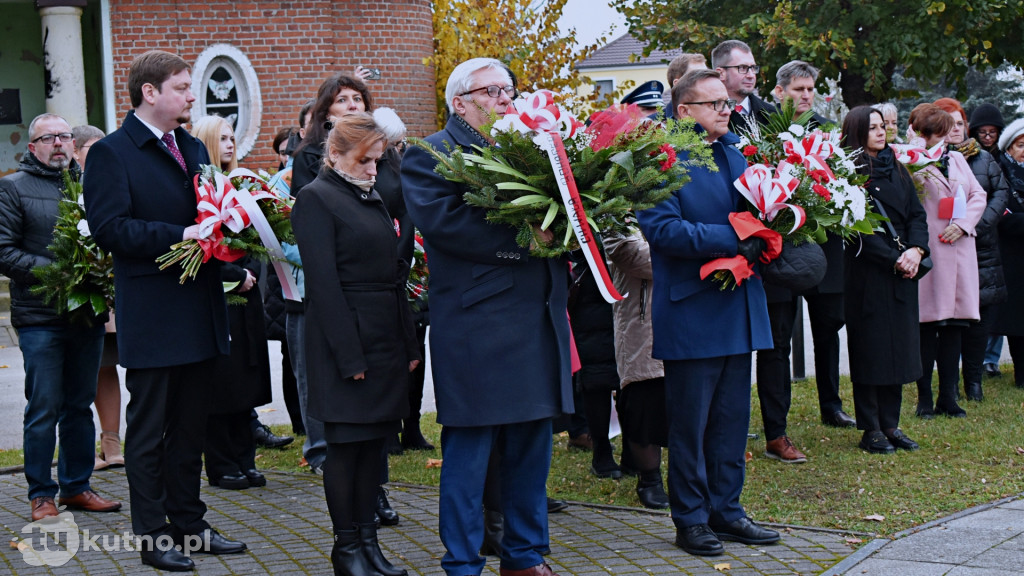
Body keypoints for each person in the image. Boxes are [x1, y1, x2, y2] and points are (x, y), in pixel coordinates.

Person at [402, 57, 573, 576]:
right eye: (492, 91)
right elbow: (448, 226)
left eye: (510, 90)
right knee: (471, 451)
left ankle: (524, 555)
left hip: (536, 317)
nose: (506, 98)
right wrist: (527, 240)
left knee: (531, 446)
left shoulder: (527, 148)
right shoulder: (430, 153)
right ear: (460, 101)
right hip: (479, 326)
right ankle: (462, 561)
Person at [83, 50, 245, 572]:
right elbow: (111, 229)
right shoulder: (113, 153)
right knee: (150, 430)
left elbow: (208, 212)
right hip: (154, 313)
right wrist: (179, 235)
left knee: (191, 427)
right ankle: (152, 533)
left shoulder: (193, 145)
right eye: (181, 87)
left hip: (199, 310)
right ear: (150, 92)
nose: (192, 96)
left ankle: (189, 524)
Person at [638, 68, 779, 557]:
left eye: (726, 102)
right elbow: (664, 232)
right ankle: (692, 519)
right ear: (684, 111)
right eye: (714, 103)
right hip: (693, 309)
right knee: (691, 425)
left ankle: (728, 511)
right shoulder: (660, 161)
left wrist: (769, 233)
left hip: (737, 306)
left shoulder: (736, 153)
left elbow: (760, 215)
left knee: (731, 420)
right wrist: (736, 237)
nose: (726, 108)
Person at [293, 112, 418, 576]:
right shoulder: (316, 199)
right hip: (345, 344)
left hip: (383, 338)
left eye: (379, 161)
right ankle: (346, 549)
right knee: (346, 449)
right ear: (335, 154)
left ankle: (368, 543)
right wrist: (350, 356)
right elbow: (323, 286)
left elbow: (393, 279)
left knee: (373, 449)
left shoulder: (371, 198)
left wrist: (407, 344)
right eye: (365, 161)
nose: (373, 170)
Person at [0, 113, 122, 522]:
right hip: (40, 318)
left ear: (74, 144)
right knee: (44, 407)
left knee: (78, 406)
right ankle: (41, 494)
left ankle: (76, 486)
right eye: (47, 137)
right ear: (32, 147)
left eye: (64, 137)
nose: (58, 144)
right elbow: (4, 251)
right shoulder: (12, 188)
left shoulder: (90, 186)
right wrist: (60, 272)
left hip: (85, 315)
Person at [756, 60, 853, 465]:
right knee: (777, 341)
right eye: (798, 89)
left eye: (811, 89)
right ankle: (776, 429)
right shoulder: (762, 130)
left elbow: (844, 180)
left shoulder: (827, 130)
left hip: (823, 248)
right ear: (779, 92)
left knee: (828, 327)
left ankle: (831, 403)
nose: (806, 96)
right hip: (781, 249)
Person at [190, 116, 274, 490]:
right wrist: (233, 277)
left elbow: (256, 237)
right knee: (220, 386)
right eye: (221, 138)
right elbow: (198, 246)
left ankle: (244, 458)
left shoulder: (241, 185)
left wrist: (250, 271)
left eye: (231, 138)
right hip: (218, 297)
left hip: (248, 295)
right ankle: (222, 464)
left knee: (245, 382)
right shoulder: (197, 188)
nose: (229, 144)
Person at [840, 106, 928, 454]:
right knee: (871, 348)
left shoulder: (899, 168)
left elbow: (917, 215)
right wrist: (896, 258)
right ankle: (871, 427)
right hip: (870, 272)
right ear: (858, 131)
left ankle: (892, 423)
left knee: (900, 348)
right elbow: (857, 230)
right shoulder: (848, 174)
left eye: (882, 126)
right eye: (872, 127)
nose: (881, 132)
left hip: (905, 268)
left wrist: (917, 251)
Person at [906, 104, 986, 419]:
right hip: (929, 251)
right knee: (928, 326)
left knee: (954, 327)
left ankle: (948, 398)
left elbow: (978, 195)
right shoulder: (909, 162)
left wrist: (964, 224)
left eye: (944, 132)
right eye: (936, 133)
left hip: (959, 246)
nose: (943, 139)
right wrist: (913, 154)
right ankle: (924, 399)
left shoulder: (955, 159)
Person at [935, 97, 1009, 402]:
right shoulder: (931, 159)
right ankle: (947, 385)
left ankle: (974, 382)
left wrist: (976, 223)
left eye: (960, 122)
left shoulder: (983, 159)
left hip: (981, 248)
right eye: (948, 122)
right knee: (949, 321)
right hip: (945, 247)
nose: (955, 128)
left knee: (980, 319)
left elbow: (999, 193)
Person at [72, 124, 127, 473]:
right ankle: (85, 445)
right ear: (76, 153)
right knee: (86, 370)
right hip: (82, 289)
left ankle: (112, 442)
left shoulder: (113, 175)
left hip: (112, 289)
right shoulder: (69, 187)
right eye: (90, 147)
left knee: (110, 366)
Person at [604, 227, 669, 510]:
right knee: (644, 404)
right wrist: (691, 254)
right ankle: (649, 479)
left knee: (684, 406)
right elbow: (631, 254)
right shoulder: (618, 210)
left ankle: (686, 476)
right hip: (642, 324)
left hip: (683, 317)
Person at [993, 117, 1024, 388]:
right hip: (1011, 254)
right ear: (1009, 148)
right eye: (1021, 145)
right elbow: (1001, 214)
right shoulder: (1001, 174)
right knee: (1017, 320)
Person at [712, 39, 774, 133]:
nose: (751, 75)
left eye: (753, 68)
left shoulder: (772, 115)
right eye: (742, 68)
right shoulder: (708, 115)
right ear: (720, 73)